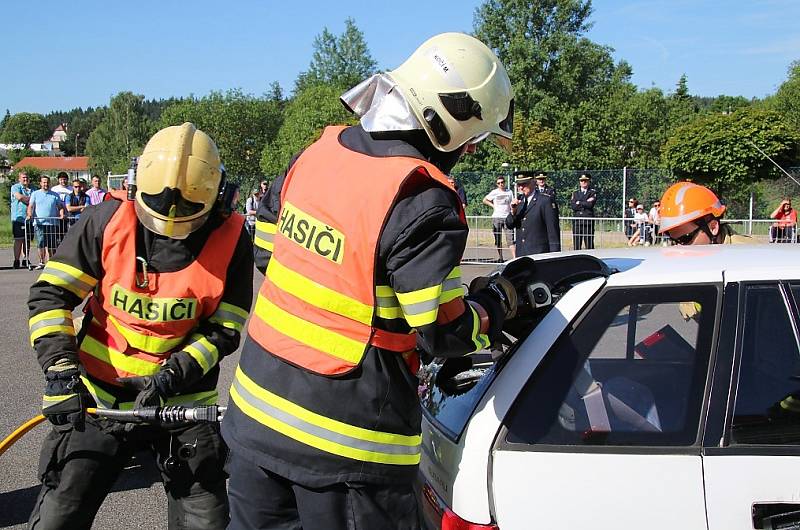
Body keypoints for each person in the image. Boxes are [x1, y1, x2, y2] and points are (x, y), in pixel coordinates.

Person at [222, 32, 515, 530]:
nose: (469, 151)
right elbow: (439, 331)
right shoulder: (422, 199)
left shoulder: (316, 154)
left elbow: (269, 253)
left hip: (256, 417)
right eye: (475, 139)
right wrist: (497, 305)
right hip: (347, 447)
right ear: (448, 125)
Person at [26, 122, 254, 529]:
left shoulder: (233, 237)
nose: (170, 226)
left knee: (205, 520)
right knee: (59, 515)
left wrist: (176, 372)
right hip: (99, 397)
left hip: (183, 404)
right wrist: (60, 372)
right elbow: (51, 296)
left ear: (219, 195)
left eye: (187, 218)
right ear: (135, 185)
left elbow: (226, 328)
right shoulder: (106, 220)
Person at [506, 170, 561, 256]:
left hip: (539, 254)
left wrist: (554, 256)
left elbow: (553, 231)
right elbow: (509, 224)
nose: (521, 188)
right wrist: (513, 211)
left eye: (524, 184)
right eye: (519, 185)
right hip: (521, 254)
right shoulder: (519, 202)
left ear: (533, 183)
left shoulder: (545, 201)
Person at [27, 175, 66, 269]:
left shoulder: (55, 195)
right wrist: (29, 214)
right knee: (41, 243)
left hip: (52, 223)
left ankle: (51, 262)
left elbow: (60, 207)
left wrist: (62, 214)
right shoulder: (35, 194)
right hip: (39, 223)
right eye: (44, 182)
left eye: (47, 182)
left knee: (52, 244)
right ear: (40, 183)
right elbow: (31, 206)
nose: (46, 184)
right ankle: (41, 262)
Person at [483, 175, 515, 261]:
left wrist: (512, 212)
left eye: (502, 182)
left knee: (510, 238)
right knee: (498, 238)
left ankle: (514, 257)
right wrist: (493, 206)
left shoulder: (509, 192)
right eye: (499, 183)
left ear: (504, 183)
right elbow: (485, 200)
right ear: (497, 184)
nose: (501, 184)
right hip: (497, 217)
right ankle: (500, 257)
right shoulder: (494, 192)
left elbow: (512, 203)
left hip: (507, 217)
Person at [10, 171, 33, 269]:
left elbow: (35, 199)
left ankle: (25, 259)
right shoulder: (15, 187)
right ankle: (16, 260)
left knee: (27, 240)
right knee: (18, 240)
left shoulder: (33, 188)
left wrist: (27, 199)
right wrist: (30, 199)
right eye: (23, 177)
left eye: (27, 177)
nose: (25, 179)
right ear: (19, 179)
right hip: (18, 218)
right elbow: (19, 197)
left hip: (30, 218)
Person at [569, 173, 596, 250]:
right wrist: (585, 202)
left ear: (589, 181)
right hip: (577, 221)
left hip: (588, 221)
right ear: (579, 182)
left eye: (585, 180)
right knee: (577, 244)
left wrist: (579, 202)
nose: (583, 182)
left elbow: (590, 205)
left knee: (589, 244)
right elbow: (573, 206)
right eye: (582, 181)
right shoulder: (575, 193)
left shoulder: (592, 192)